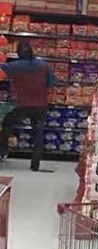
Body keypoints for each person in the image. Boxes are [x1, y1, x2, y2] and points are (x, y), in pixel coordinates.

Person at [0, 40, 56, 171]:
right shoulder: (44, 65)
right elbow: (51, 82)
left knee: (7, 123)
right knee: (38, 133)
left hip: (23, 105)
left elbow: (3, 69)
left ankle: (2, 152)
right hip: (41, 105)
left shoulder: (15, 66)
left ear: (18, 52)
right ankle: (35, 164)